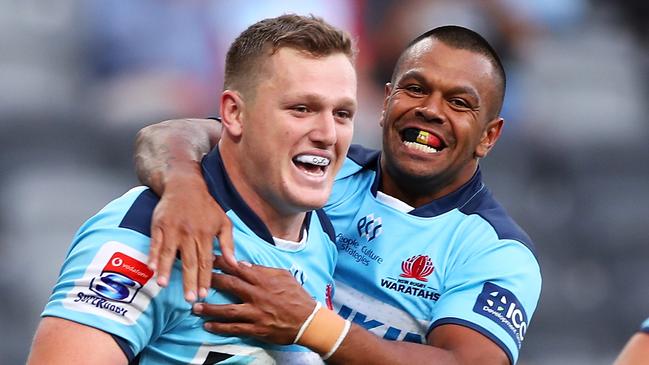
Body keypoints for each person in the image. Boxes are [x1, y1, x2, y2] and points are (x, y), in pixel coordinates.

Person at [135, 25, 542, 364]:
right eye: (415, 89)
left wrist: (312, 325)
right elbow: (169, 134)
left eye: (458, 102)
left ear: (489, 136)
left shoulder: (497, 251)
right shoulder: (316, 170)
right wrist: (184, 185)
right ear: (385, 102)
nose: (431, 109)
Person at [28, 14, 358, 364]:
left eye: (342, 114)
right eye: (301, 109)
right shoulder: (150, 233)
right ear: (233, 114)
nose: (327, 134)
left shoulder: (321, 225)